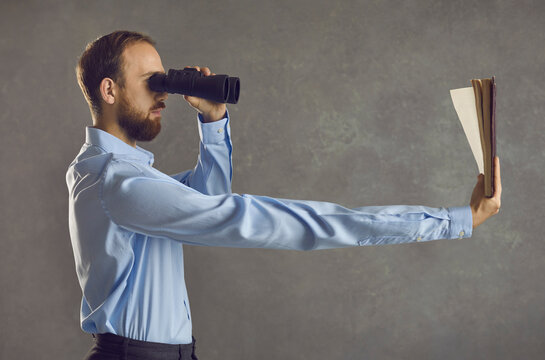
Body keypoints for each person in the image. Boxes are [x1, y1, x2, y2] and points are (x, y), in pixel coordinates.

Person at [67, 30, 501, 360]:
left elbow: (209, 199)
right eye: (151, 81)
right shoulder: (118, 184)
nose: (163, 92)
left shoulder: (121, 176)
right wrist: (453, 219)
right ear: (110, 90)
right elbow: (248, 218)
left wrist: (214, 121)